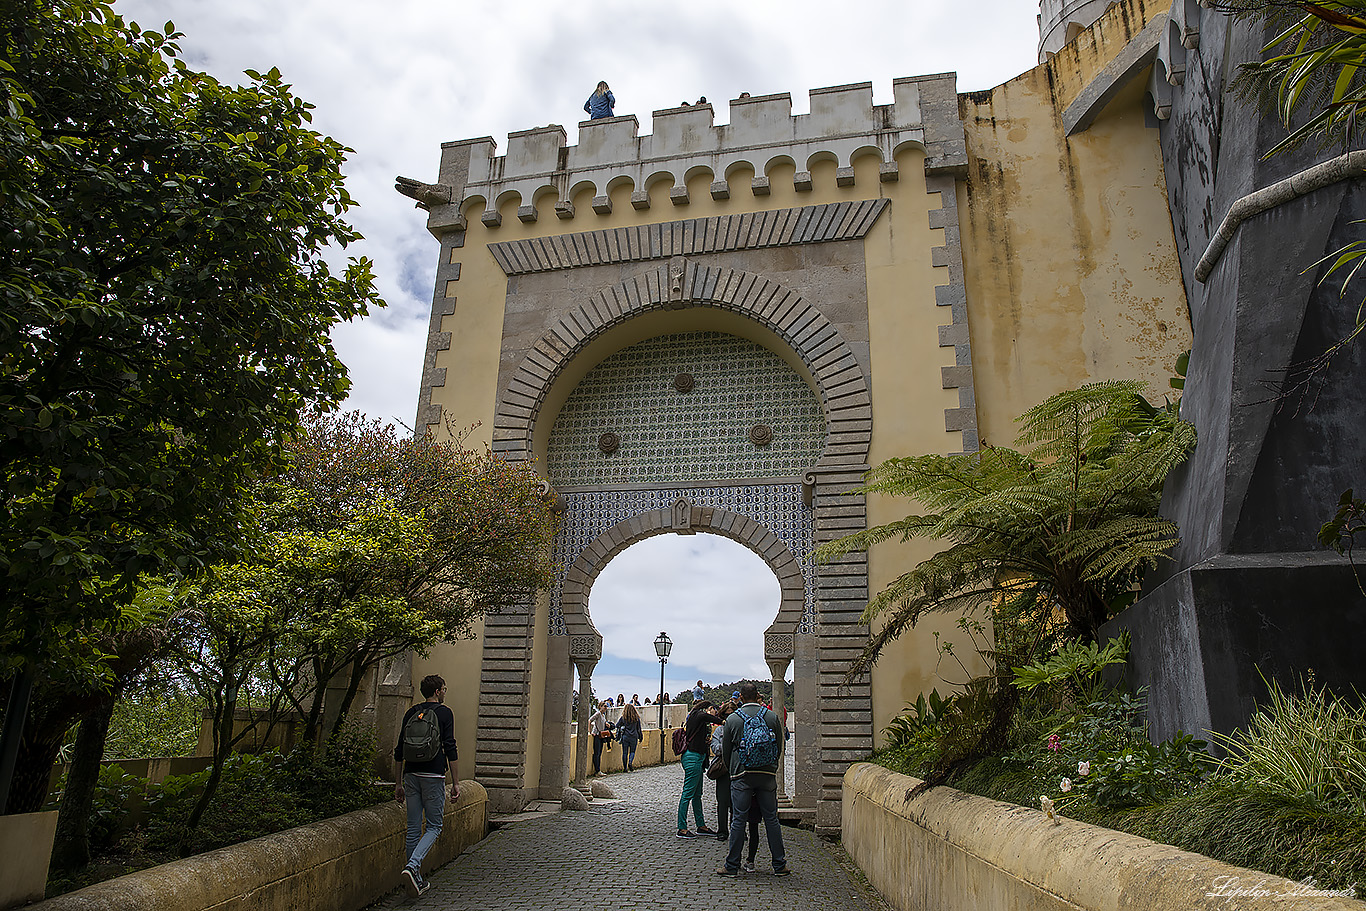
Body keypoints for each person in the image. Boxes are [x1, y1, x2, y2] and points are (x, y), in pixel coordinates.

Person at [393, 674, 460, 898]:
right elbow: (450, 747)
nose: (444, 692)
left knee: (413, 828)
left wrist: (397, 783)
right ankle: (413, 867)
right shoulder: (444, 713)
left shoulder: (411, 712)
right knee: (434, 826)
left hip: (411, 774)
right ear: (438, 691)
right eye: (444, 689)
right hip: (433, 774)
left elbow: (399, 750)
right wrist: (456, 783)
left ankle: (417, 879)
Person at [716, 682, 788, 876]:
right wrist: (772, 767)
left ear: (740, 697)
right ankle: (779, 865)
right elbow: (779, 746)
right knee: (771, 819)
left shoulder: (733, 719)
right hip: (766, 775)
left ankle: (731, 866)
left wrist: (733, 772)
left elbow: (726, 751)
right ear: (757, 696)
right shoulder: (771, 716)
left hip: (742, 774)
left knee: (739, 819)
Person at [676, 701, 723, 837]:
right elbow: (712, 719)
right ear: (708, 709)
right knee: (687, 793)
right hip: (693, 757)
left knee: (697, 794)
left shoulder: (695, 717)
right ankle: (682, 828)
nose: (714, 712)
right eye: (713, 709)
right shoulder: (699, 715)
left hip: (697, 757)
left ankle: (701, 825)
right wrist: (723, 721)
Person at [709, 700, 738, 841]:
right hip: (723, 769)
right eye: (727, 715)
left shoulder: (740, 729)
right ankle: (722, 830)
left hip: (737, 768)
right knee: (722, 801)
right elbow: (715, 748)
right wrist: (727, 745)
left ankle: (737, 829)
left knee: (737, 801)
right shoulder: (719, 731)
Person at [616, 702, 643, 772]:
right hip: (634, 736)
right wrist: (641, 737)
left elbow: (617, 725)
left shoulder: (623, 718)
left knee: (624, 752)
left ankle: (625, 768)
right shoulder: (636, 718)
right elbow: (639, 729)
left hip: (625, 736)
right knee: (632, 751)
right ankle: (630, 762)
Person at [589, 701, 611, 776]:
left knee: (599, 752)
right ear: (600, 706)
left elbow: (603, 722)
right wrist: (590, 731)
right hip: (597, 734)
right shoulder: (598, 713)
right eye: (604, 706)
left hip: (601, 735)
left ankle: (598, 769)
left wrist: (606, 723)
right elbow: (590, 720)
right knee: (597, 753)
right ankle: (597, 770)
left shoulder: (603, 715)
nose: (605, 708)